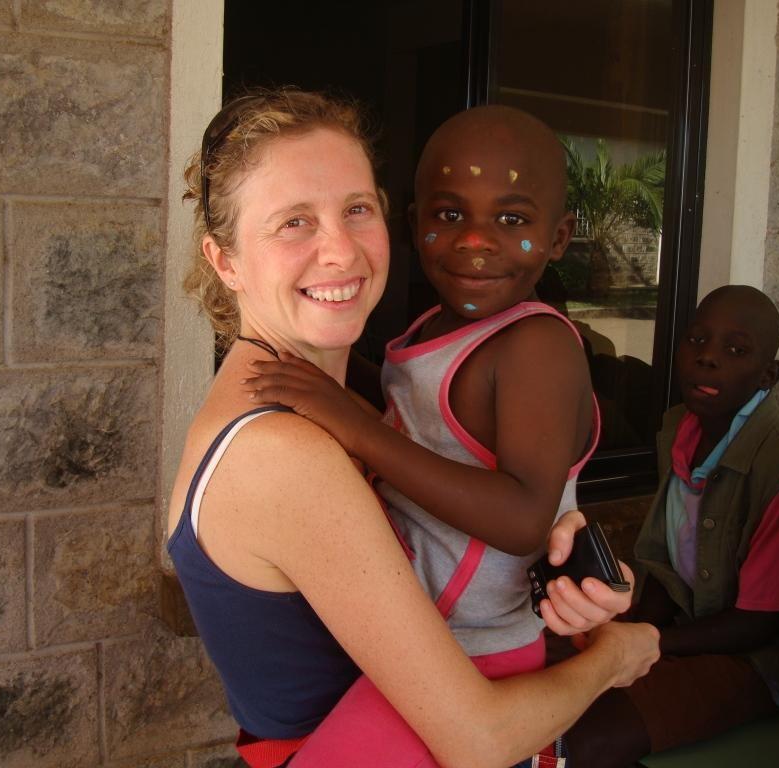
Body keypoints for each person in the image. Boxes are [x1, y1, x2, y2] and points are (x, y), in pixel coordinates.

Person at [167, 88, 659, 768]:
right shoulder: (284, 450)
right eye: (293, 222)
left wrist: (563, 563)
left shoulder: (326, 402)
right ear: (225, 261)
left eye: (355, 210)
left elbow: (492, 509)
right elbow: (479, 741)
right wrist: (616, 656)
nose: (339, 251)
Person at [243, 103, 606, 672]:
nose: (475, 241)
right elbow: (414, 408)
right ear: (414, 226)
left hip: (480, 655)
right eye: (450, 214)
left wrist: (354, 424)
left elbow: (523, 519)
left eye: (511, 220)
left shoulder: (537, 347)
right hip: (414, 633)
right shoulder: (437, 325)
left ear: (558, 237)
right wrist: (314, 363)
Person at [562, 285, 779, 767]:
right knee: (553, 669)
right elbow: (665, 564)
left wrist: (647, 644)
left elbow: (757, 624)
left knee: (588, 736)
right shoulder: (680, 427)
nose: (707, 359)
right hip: (692, 628)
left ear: (769, 374)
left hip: (760, 658)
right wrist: (639, 630)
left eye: (735, 350)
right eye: (696, 341)